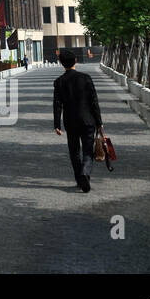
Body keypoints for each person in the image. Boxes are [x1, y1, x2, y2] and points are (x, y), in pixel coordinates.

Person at [53, 49, 104, 193]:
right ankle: (85, 173)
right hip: (88, 121)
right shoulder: (86, 78)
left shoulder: (59, 82)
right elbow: (94, 101)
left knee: (74, 151)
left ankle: (79, 179)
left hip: (70, 122)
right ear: (75, 60)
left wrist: (57, 124)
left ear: (61, 63)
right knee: (88, 150)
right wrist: (99, 122)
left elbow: (57, 105)